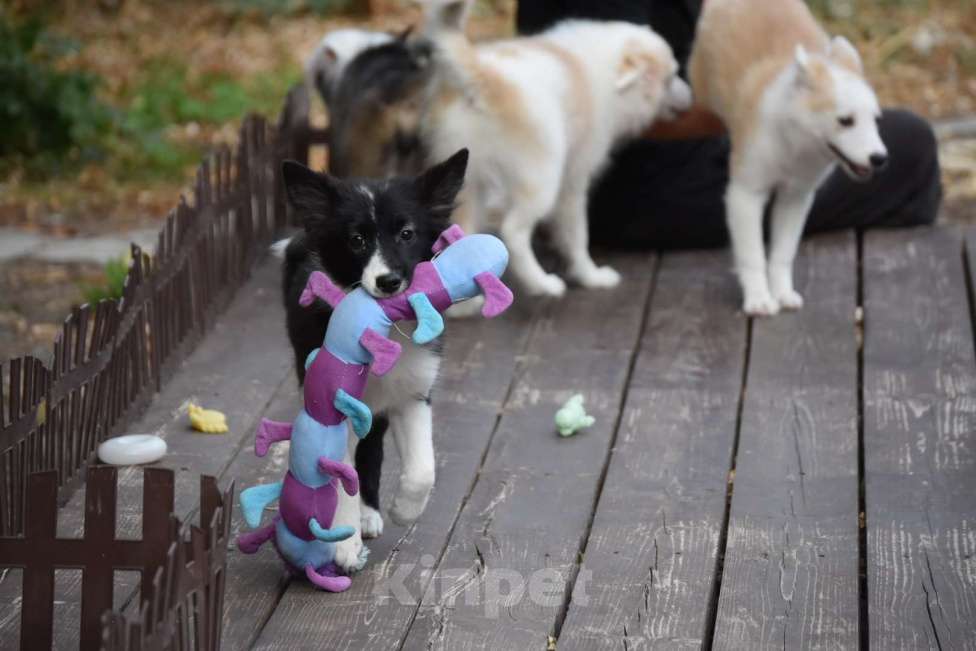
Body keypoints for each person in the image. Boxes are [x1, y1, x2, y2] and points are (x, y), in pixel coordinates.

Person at [518, 0, 943, 250]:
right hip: (622, 182)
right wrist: (755, 111)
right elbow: (614, 104)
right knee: (910, 153)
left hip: (678, 144)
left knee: (886, 139)